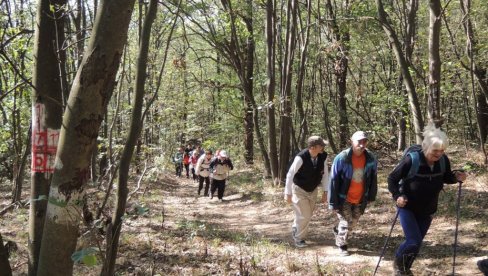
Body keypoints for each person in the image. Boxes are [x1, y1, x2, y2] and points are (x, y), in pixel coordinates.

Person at [387, 123, 467, 275]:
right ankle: (398, 266)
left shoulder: (443, 160)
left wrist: (456, 176)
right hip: (407, 207)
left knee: (416, 244)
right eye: (435, 150)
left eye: (442, 151)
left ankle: (406, 269)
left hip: (428, 209)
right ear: (425, 147)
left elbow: (446, 177)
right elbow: (392, 178)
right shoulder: (411, 160)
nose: (438, 154)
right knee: (413, 241)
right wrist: (398, 196)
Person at [328, 131, 378, 256]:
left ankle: (337, 230)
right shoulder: (342, 158)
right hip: (343, 197)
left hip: (360, 197)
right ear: (352, 141)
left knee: (354, 222)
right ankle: (342, 245)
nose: (362, 145)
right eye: (359, 142)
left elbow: (373, 177)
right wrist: (332, 201)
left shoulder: (370, 158)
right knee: (346, 222)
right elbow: (333, 180)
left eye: (364, 142)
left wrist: (371, 195)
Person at [284, 136, 329, 248]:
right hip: (299, 189)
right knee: (305, 215)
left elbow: (325, 174)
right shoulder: (301, 158)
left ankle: (296, 228)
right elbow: (290, 174)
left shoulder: (323, 156)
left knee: (305, 215)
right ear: (313, 147)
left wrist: (325, 191)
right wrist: (287, 193)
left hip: (313, 189)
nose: (323, 147)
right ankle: (299, 238)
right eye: (321, 145)